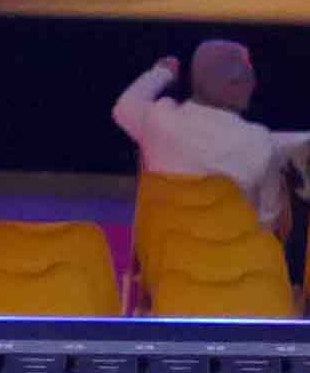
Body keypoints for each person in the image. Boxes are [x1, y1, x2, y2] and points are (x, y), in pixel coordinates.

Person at [114, 37, 290, 237]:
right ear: (231, 86)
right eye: (248, 76)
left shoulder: (159, 120)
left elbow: (124, 107)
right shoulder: (259, 142)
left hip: (165, 251)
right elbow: (268, 223)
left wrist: (161, 73)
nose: (253, 83)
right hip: (234, 252)